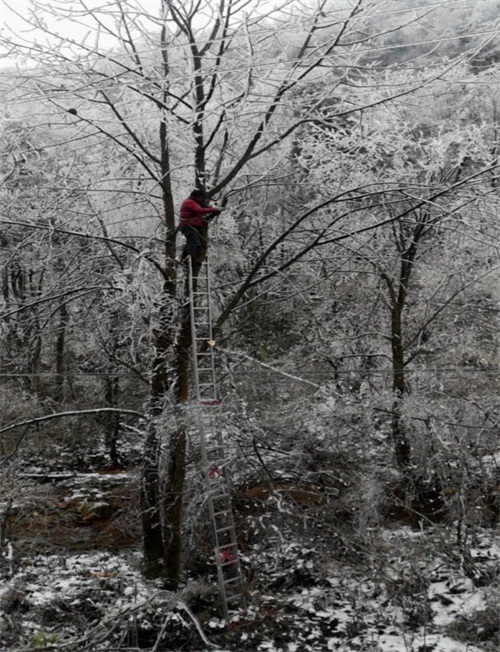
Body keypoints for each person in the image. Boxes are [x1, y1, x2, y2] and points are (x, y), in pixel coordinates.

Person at [178, 189, 223, 264]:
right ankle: (190, 257)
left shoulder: (193, 202)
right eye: (202, 198)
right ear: (197, 197)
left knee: (191, 241)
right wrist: (214, 209)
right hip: (187, 225)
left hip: (188, 225)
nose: (202, 200)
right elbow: (199, 210)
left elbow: (201, 208)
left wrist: (211, 208)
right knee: (194, 241)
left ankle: (184, 258)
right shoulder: (189, 202)